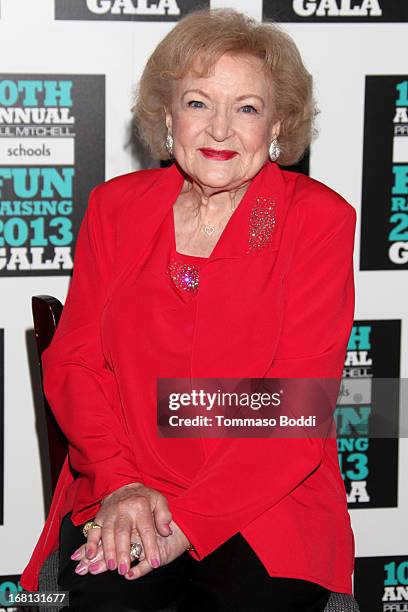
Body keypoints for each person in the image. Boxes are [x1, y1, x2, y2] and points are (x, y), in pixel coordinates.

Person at [21, 8, 357, 611]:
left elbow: (294, 411)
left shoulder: (318, 222)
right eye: (199, 103)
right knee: (106, 603)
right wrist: (121, 484)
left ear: (277, 123)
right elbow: (74, 364)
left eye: (247, 108)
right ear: (168, 116)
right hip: (128, 482)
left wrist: (186, 523)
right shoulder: (115, 209)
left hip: (266, 501)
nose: (220, 130)